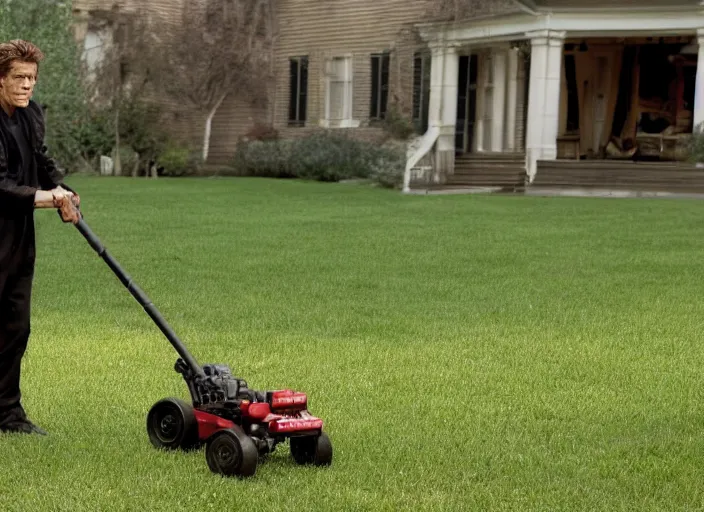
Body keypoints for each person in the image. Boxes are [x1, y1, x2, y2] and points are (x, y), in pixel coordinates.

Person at [0, 39, 81, 435]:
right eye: (19, 77)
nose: (27, 85)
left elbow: (41, 159)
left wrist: (63, 189)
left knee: (16, 327)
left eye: (32, 78)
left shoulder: (30, 115)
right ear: (0, 80)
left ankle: (8, 415)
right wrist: (48, 197)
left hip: (18, 237)